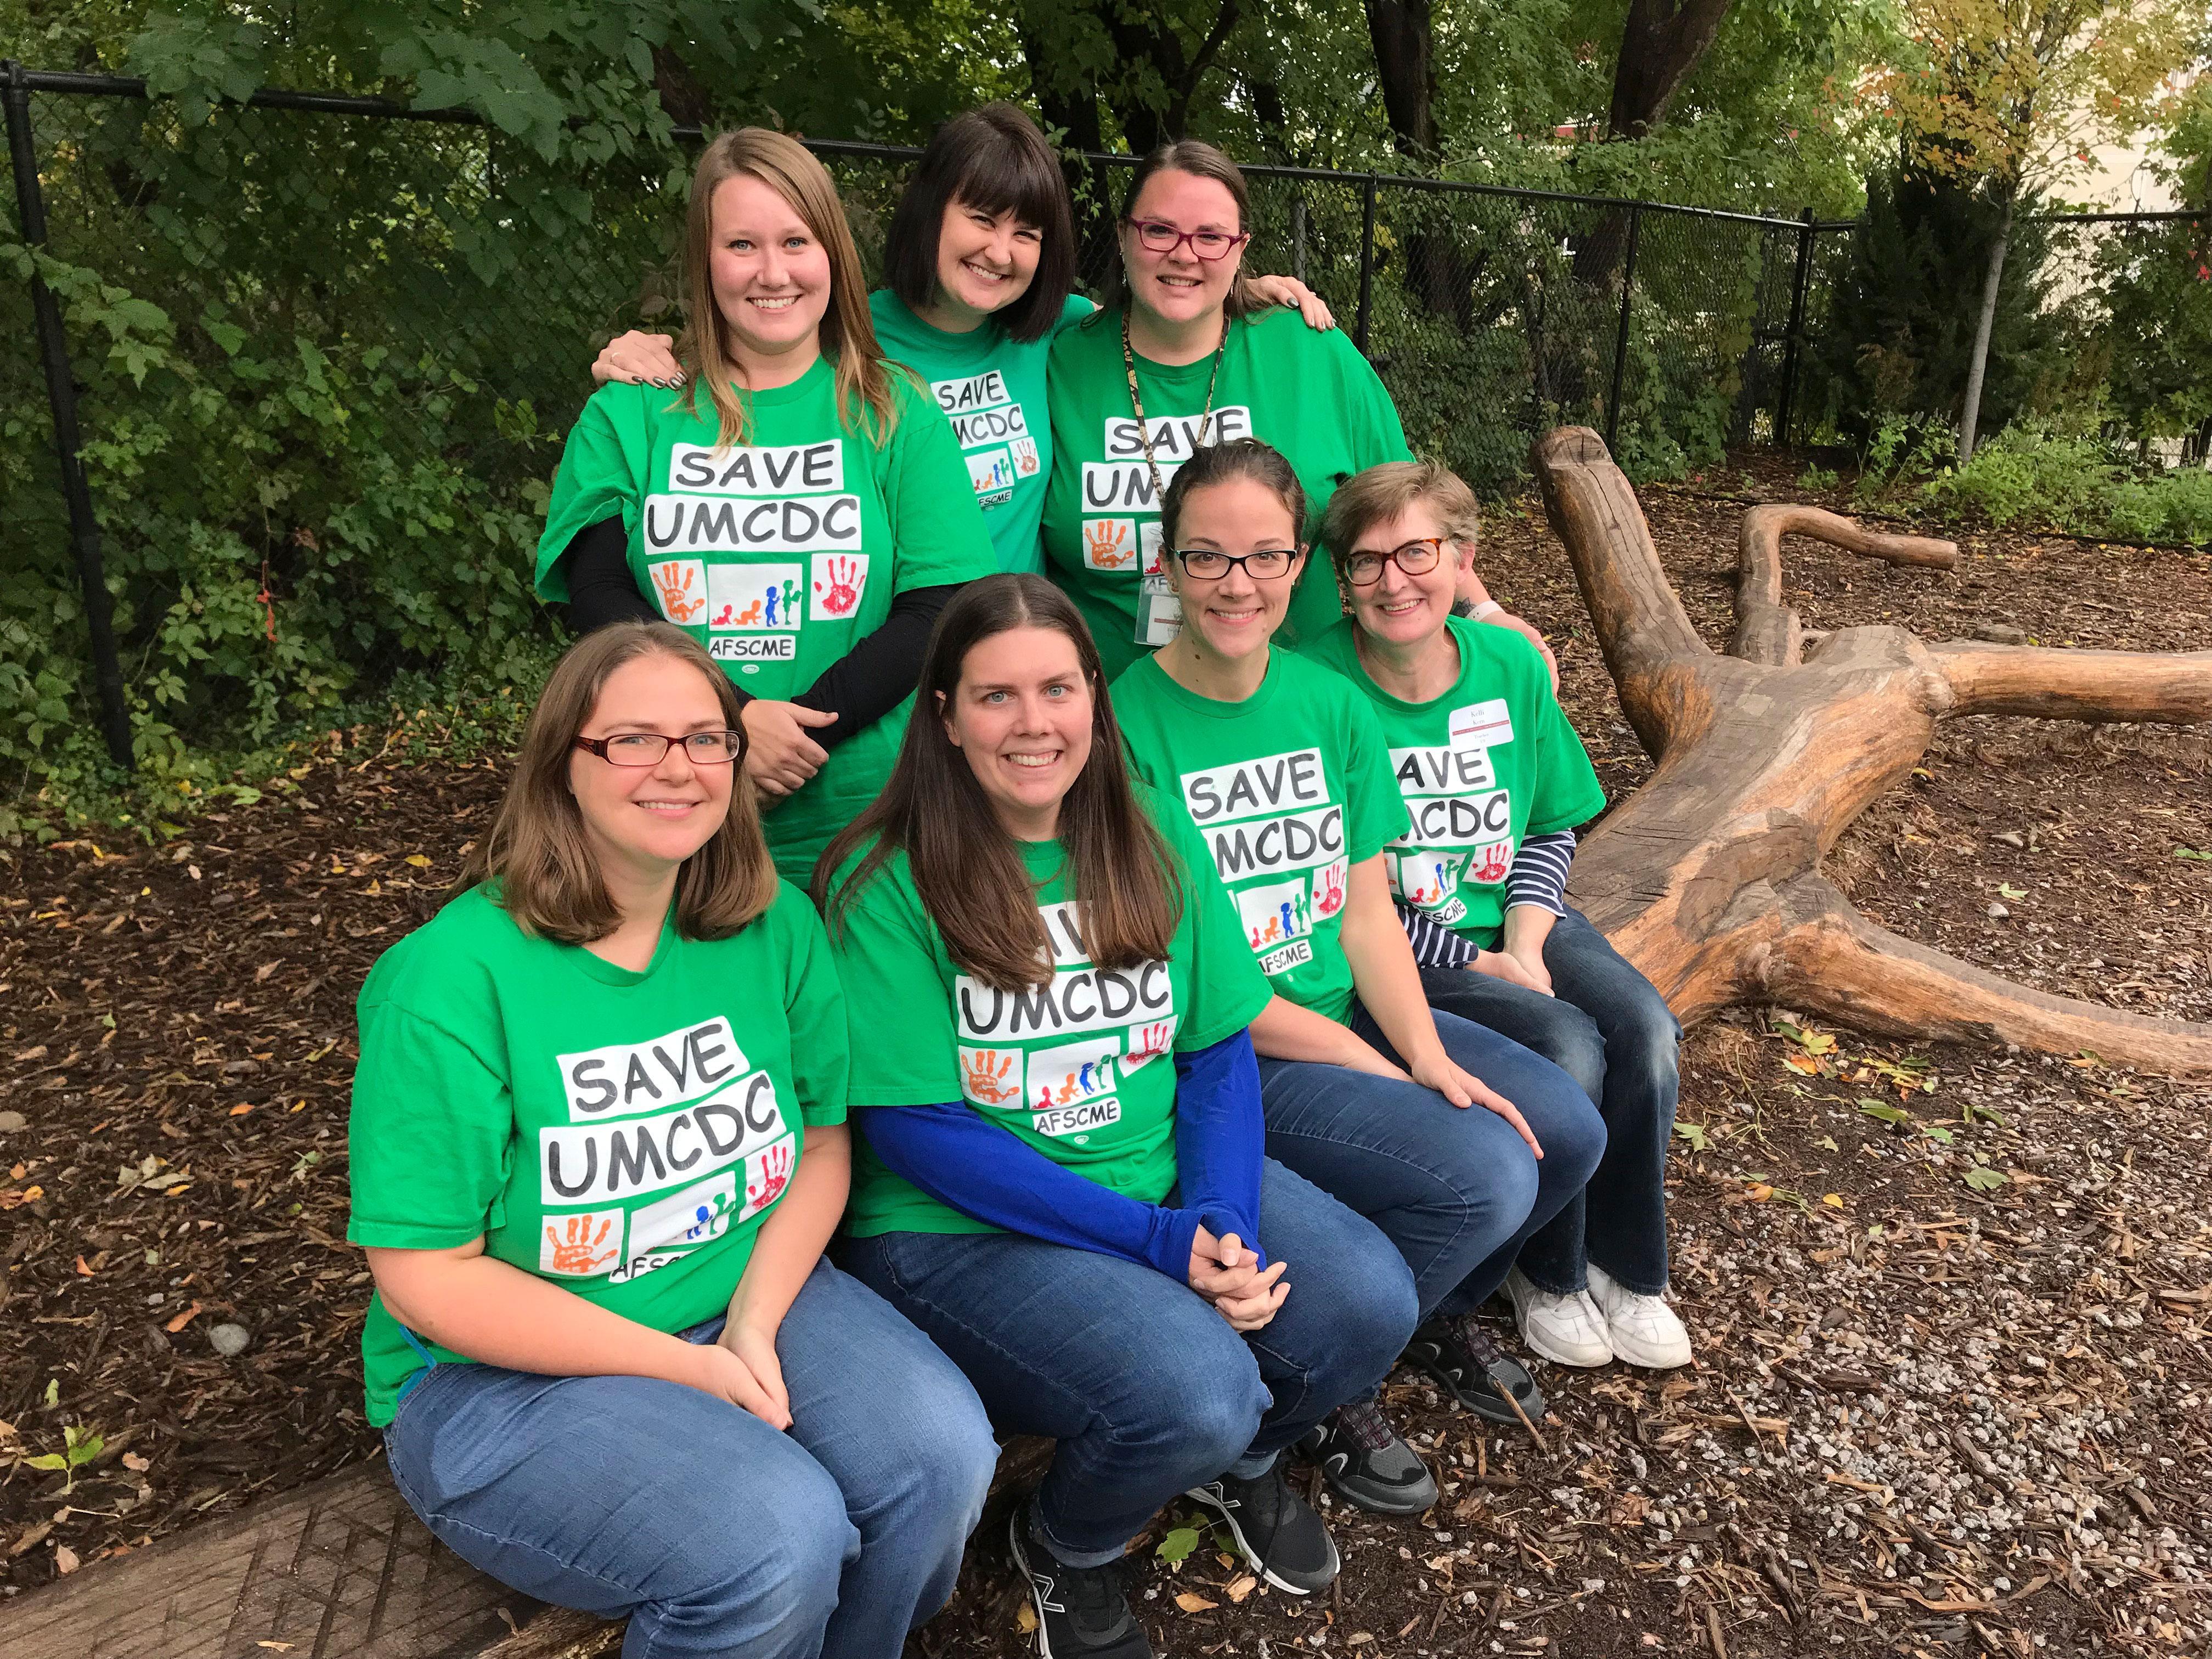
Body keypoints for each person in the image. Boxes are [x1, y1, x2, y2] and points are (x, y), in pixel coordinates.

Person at [347, 621, 998, 1659]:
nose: (679, 768)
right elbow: (429, 1275)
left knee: (940, 1460)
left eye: (706, 738)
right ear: (562, 766)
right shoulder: (450, 981)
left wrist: (749, 1320)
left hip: (741, 1291)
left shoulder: (771, 923)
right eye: (633, 740)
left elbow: (821, 1145)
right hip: (500, 1378)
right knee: (776, 1538)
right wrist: (682, 1368)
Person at [819, 574, 1420, 1659]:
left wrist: (1225, 1215)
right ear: (945, 718)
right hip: (958, 1227)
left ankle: (1239, 1464)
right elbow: (915, 1129)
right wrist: (1162, 1244)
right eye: (996, 696)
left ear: (1096, 702)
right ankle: (1068, 1546)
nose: (1034, 722)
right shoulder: (888, 881)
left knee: (1368, 1303)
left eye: (1058, 688)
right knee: (1198, 1391)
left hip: (1151, 1177)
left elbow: (1217, 1054)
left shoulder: (1149, 838)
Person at [1109, 438, 1606, 1513]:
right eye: (1206, 559)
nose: (1236, 585)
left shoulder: (1326, 702)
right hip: (1230, 1052)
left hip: (1347, 1016)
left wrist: (1422, 1051)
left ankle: (1391, 1335)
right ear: (1167, 571)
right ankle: (1288, 1408)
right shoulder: (1124, 726)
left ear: (1298, 569)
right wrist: (1378, 1068)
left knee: (1563, 1132)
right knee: (1485, 1172)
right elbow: (1186, 983)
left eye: (1264, 558)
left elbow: (1368, 910)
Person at [1304, 461, 1692, 1371]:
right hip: (1406, 942)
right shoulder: (1314, 684)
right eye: (1365, 562)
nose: (1393, 580)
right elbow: (1351, 889)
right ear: (1341, 582)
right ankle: (1545, 1271)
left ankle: (1627, 1266)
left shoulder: (1508, 663)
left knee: (1644, 1027)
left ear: (1461, 556)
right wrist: (1480, 967)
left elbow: (1552, 816)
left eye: (1416, 552)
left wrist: (1522, 935)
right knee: (1568, 1044)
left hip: (1519, 915)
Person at [591, 103, 1336, 577]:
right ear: (929, 213)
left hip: (1014, 665)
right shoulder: (843, 332)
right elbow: (749, 338)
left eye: (1027, 232)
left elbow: (1166, 303)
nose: (1000, 251)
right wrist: (647, 353)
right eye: (980, 218)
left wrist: (1243, 288)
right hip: (884, 664)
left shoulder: (1057, 331)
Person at [535, 128, 998, 887]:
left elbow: (939, 607)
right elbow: (599, 600)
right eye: (742, 245)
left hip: (866, 815)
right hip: (671, 803)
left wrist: (799, 729)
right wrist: (731, 727)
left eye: (796, 241)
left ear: (832, 256)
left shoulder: (897, 412)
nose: (773, 271)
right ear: (704, 261)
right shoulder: (631, 414)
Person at [1039, 138, 1544, 679]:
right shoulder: (1058, 360)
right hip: (1113, 717)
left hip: (1297, 706)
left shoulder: (1310, 351)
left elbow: (1401, 510)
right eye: (1159, 230)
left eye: (1211, 237)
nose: (1184, 253)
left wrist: (1483, 611)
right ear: (1123, 235)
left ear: (1240, 249)